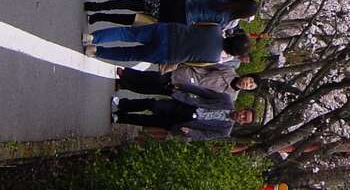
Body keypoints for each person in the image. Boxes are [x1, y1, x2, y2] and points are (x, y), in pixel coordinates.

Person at [113, 82, 254, 138]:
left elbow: (204, 135)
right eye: (244, 113)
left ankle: (120, 118)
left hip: (184, 122)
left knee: (149, 120)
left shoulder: (225, 130)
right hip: (187, 105)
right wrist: (183, 87)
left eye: (243, 119)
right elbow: (203, 92)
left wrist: (190, 132)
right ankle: (123, 104)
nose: (241, 116)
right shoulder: (226, 100)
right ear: (242, 109)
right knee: (153, 104)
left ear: (242, 123)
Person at [85, 0, 258, 27]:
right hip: (180, 18)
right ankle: (97, 18)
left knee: (135, 3)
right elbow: (201, 26)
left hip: (179, 1)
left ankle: (96, 6)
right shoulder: (225, 20)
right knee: (138, 19)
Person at [83, 22, 250, 64]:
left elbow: (195, 25)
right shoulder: (214, 58)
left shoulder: (215, 29)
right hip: (170, 54)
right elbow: (194, 63)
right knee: (129, 55)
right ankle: (95, 51)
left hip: (170, 32)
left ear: (233, 36)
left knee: (128, 33)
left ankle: (93, 37)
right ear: (233, 54)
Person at [117, 65, 258, 98]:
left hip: (188, 91)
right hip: (188, 75)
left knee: (153, 90)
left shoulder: (230, 96)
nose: (248, 84)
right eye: (250, 80)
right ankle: (127, 73)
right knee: (157, 78)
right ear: (247, 76)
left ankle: (125, 84)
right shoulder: (229, 70)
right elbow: (207, 65)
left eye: (251, 86)